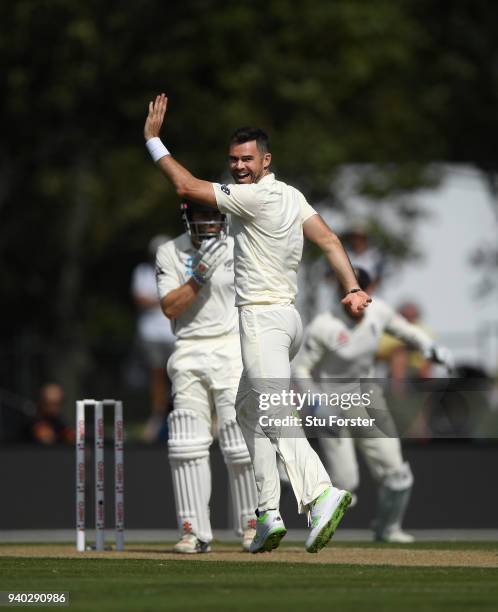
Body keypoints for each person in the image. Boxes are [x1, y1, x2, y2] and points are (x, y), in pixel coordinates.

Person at [144, 93, 371, 554]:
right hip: (287, 321)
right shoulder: (292, 194)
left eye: (247, 159)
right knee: (248, 410)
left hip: (263, 320)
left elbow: (186, 187)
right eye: (233, 160)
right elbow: (327, 237)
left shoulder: (254, 198)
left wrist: (152, 140)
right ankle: (268, 511)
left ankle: (319, 493)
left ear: (266, 160)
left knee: (270, 410)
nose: (239, 166)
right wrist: (351, 287)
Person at [292, 269, 454, 542]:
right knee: (346, 485)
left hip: (367, 398)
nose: (358, 300)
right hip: (331, 403)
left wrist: (430, 347)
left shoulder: (378, 312)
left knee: (398, 475)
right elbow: (301, 370)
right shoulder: (323, 326)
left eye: (362, 292)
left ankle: (388, 529)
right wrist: (316, 404)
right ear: (341, 295)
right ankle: (317, 522)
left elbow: (407, 331)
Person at [156, 200, 258, 553]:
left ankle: (251, 525)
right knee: (185, 442)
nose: (211, 221)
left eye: (216, 215)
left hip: (231, 348)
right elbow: (170, 307)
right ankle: (194, 532)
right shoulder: (170, 252)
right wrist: (198, 276)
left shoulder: (240, 246)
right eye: (204, 215)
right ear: (190, 218)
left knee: (238, 439)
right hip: (188, 348)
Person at [131, 236, 176, 442]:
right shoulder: (142, 271)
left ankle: (182, 411)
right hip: (151, 332)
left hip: (173, 331)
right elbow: (141, 298)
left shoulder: (178, 268)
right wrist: (166, 299)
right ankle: (158, 415)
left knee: (179, 375)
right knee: (157, 375)